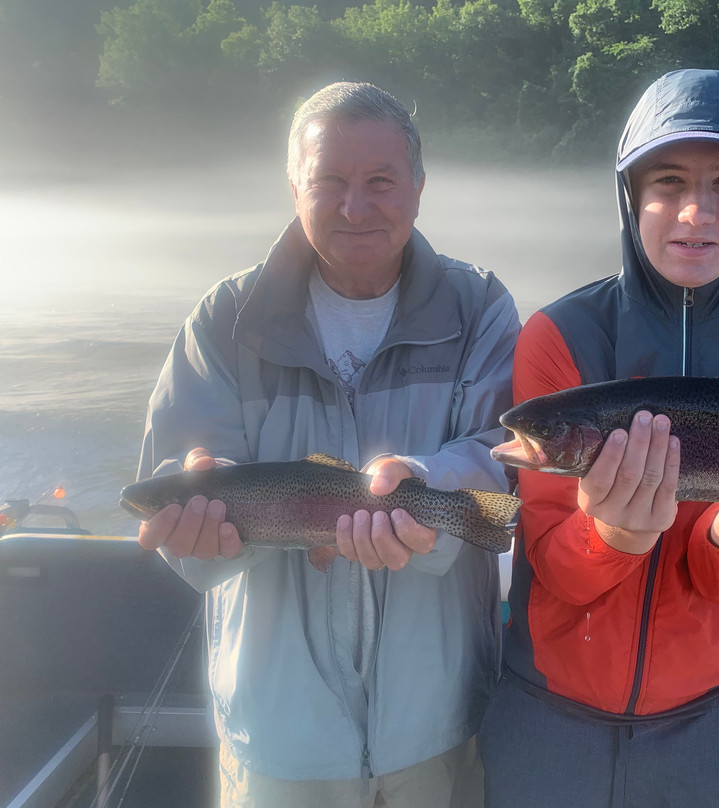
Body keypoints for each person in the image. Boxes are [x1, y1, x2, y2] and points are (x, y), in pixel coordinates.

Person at [478, 69, 719, 807]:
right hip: (545, 712)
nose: (697, 210)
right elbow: (558, 572)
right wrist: (617, 533)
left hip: (709, 719)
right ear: (629, 197)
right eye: (666, 181)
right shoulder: (558, 338)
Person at [134, 81, 520, 807]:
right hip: (280, 735)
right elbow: (173, 491)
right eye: (330, 182)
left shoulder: (480, 309)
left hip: (438, 724)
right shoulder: (223, 321)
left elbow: (504, 459)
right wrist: (200, 538)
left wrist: (422, 485)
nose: (355, 206)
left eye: (380, 182)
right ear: (294, 186)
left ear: (419, 187)